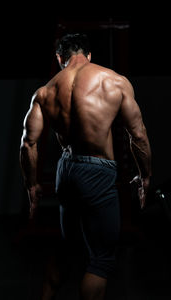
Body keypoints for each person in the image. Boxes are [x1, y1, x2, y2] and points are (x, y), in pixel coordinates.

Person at [20, 33, 152, 300]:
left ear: (60, 58)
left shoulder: (45, 92)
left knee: (69, 248)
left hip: (66, 171)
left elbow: (28, 143)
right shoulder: (113, 81)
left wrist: (31, 184)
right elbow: (137, 134)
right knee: (101, 260)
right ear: (89, 55)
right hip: (97, 172)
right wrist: (144, 174)